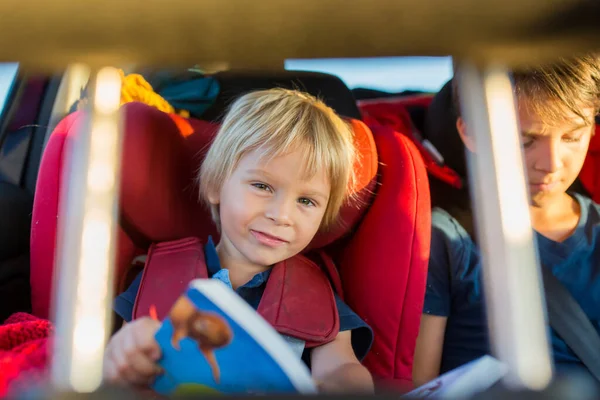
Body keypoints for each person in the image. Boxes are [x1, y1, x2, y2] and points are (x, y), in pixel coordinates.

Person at [103, 88, 374, 393]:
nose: (281, 215)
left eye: (307, 201)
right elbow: (125, 357)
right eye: (262, 186)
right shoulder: (158, 275)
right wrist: (125, 353)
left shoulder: (316, 293)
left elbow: (341, 366)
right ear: (217, 185)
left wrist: (343, 384)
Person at [413, 55, 600, 386]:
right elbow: (420, 386)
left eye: (572, 137)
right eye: (525, 140)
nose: (552, 163)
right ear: (472, 134)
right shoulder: (445, 239)